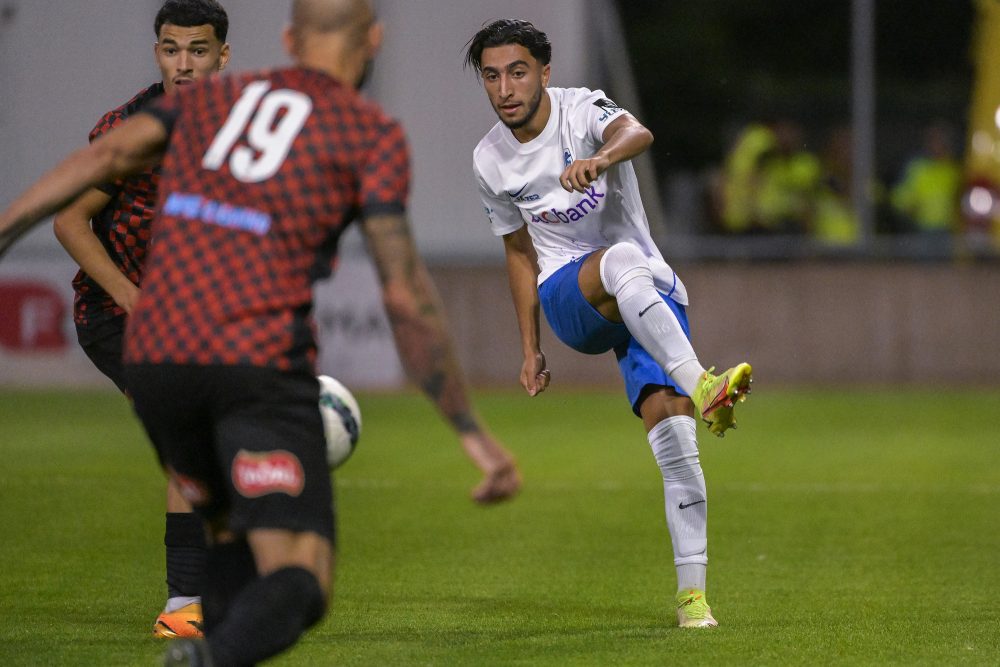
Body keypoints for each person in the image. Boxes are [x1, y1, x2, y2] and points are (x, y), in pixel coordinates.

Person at [0, 0, 518, 663]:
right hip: (250, 351)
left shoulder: (218, 101)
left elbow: (110, 154)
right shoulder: (368, 133)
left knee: (229, 543)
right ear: (375, 41)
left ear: (287, 40)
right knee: (299, 575)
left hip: (157, 353)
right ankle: (204, 655)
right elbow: (404, 291)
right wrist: (469, 429)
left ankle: (193, 623)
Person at [465, 19, 753, 629]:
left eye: (517, 72)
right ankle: (706, 384)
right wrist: (530, 348)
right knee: (621, 260)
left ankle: (692, 600)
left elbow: (637, 131)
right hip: (571, 296)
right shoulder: (489, 159)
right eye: (491, 76)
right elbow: (518, 251)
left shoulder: (584, 108)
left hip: (642, 292)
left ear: (545, 72)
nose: (505, 88)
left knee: (678, 449)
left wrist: (599, 158)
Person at [51, 0, 232, 639]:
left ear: (222, 55)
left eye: (198, 50)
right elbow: (69, 221)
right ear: (158, 52)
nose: (184, 64)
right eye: (171, 49)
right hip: (113, 311)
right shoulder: (129, 130)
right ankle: (184, 604)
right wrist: (130, 294)